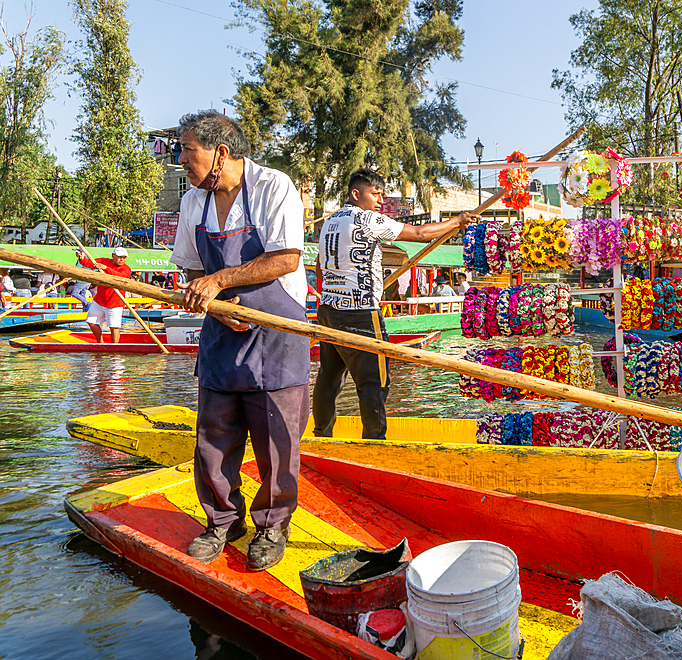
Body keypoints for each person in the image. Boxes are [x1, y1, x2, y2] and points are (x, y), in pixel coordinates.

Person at [170, 110, 310, 572]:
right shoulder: (194, 202)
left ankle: (272, 526)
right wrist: (213, 301)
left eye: (188, 150)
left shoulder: (274, 187)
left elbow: (286, 258)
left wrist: (220, 282)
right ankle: (222, 521)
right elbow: (190, 266)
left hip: (276, 333)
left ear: (220, 153)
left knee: (277, 443)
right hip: (220, 333)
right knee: (213, 436)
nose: (182, 158)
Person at [313, 168, 475, 440]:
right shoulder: (368, 220)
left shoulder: (329, 222)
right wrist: (456, 222)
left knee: (329, 377)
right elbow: (421, 233)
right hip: (361, 312)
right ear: (356, 193)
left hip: (329, 309)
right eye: (374, 194)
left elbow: (320, 270)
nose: (380, 200)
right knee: (375, 382)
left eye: (381, 194)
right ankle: (375, 441)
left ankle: (321, 434)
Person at [77, 247, 132, 343]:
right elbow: (90, 263)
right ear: (113, 256)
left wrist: (106, 268)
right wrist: (82, 258)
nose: (122, 259)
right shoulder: (104, 261)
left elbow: (122, 277)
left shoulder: (126, 269)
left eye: (124, 257)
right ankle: (100, 342)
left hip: (115, 302)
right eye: (119, 257)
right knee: (91, 321)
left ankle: (114, 347)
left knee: (114, 326)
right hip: (99, 300)